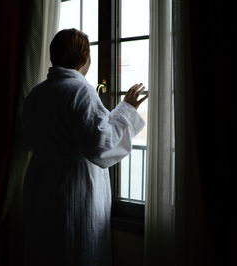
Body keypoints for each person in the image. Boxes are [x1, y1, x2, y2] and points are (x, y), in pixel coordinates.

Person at [22, 28, 148, 266]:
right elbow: (102, 144)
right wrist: (128, 109)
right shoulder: (80, 90)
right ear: (84, 57)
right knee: (74, 252)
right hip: (73, 191)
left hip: (39, 187)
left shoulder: (37, 93)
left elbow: (32, 138)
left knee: (44, 251)